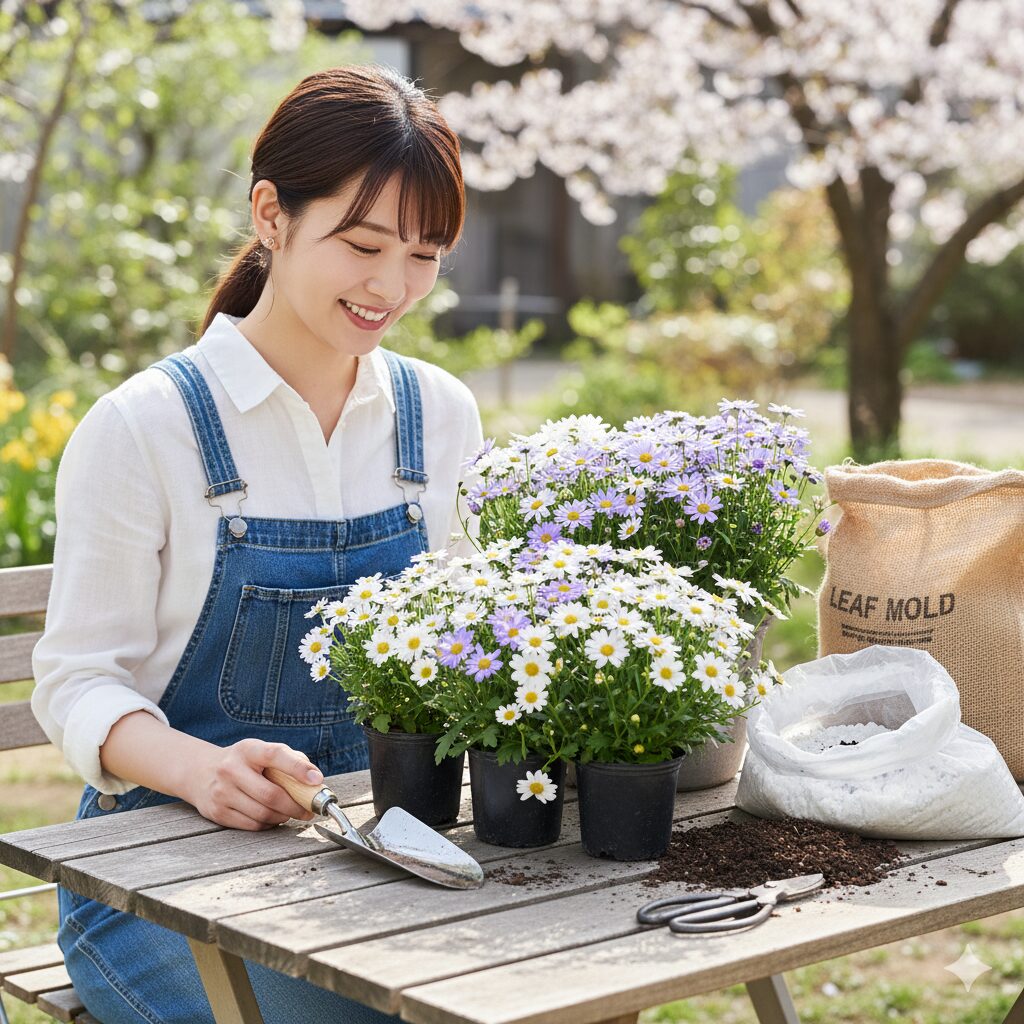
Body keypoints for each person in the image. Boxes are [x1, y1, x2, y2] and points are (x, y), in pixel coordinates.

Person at [31, 64, 483, 1024]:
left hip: (380, 856)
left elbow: (465, 639)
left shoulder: (437, 416)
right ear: (271, 214)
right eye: (363, 245)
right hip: (155, 880)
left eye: (424, 255)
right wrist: (202, 770)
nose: (391, 287)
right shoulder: (145, 428)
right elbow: (77, 681)